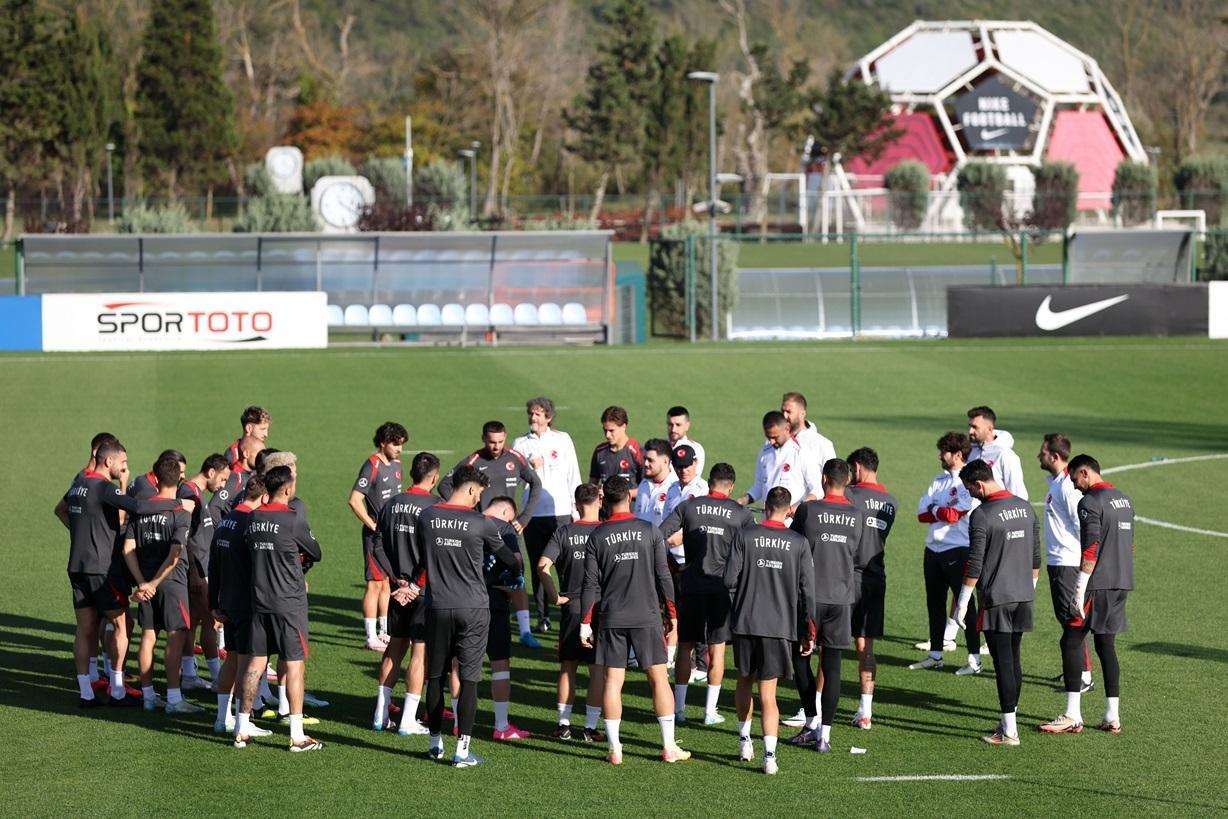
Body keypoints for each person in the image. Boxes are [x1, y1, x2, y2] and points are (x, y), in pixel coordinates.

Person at [413, 465, 520, 768]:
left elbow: (424, 557)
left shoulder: (428, 516)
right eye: (480, 494)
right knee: (469, 680)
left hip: (437, 606)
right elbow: (510, 562)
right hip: (473, 608)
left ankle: (435, 744)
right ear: (472, 489)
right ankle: (462, 751)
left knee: (435, 677)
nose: (479, 499)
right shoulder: (482, 523)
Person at [580, 476, 689, 766]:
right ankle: (668, 747)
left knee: (613, 682)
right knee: (658, 679)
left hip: (612, 617)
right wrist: (673, 615)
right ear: (629, 497)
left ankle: (615, 749)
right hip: (646, 615)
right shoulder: (649, 530)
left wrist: (584, 623)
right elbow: (663, 576)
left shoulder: (598, 536)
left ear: (603, 501)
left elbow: (590, 585)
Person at [1040, 454, 1134, 736]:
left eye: (1074, 479)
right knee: (1106, 645)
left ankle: (1072, 714)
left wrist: (1079, 590)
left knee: (1070, 640)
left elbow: (1090, 548)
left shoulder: (1090, 502)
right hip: (1121, 582)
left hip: (1097, 584)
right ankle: (1112, 716)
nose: (1075, 486)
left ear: (1084, 472)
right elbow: (1130, 546)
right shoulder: (1124, 499)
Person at [724, 486, 815, 775]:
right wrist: (808, 630)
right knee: (769, 694)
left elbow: (728, 580)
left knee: (743, 682)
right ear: (789, 510)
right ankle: (770, 757)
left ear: (765, 508)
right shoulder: (799, 543)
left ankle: (744, 740)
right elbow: (807, 592)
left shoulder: (745, 535)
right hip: (779, 627)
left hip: (746, 623)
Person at [234, 466, 323, 752]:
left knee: (255, 664)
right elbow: (315, 552)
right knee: (294, 665)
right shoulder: (292, 519)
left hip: (259, 600)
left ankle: (241, 726)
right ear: (286, 489)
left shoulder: (254, 517)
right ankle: (297, 735)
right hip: (288, 603)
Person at [953, 459, 1040, 746]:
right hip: (1024, 596)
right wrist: (1028, 588)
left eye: (969, 489)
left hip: (997, 599)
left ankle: (1009, 732)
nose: (970, 494)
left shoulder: (982, 515)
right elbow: (1036, 558)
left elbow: (974, 563)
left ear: (979, 484)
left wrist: (962, 602)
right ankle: (1008, 721)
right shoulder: (1025, 507)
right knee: (1014, 658)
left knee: (1003, 662)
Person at [57, 438, 148, 708]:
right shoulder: (102, 487)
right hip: (101, 570)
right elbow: (138, 508)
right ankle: (117, 690)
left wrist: (81, 531)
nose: (124, 468)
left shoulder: (78, 485)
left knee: (85, 629)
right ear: (108, 461)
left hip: (77, 566)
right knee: (121, 624)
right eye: (122, 463)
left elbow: (59, 510)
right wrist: (176, 506)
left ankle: (85, 693)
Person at [661, 462, 753, 725]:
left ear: (710, 482)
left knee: (685, 648)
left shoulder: (689, 506)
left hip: (690, 586)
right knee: (718, 650)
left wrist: (667, 566)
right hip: (722, 590)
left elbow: (659, 534)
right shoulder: (741, 514)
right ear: (731, 486)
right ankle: (709, 712)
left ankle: (678, 710)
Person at [439, 421, 544, 647]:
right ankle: (475, 625)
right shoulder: (474, 461)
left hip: (507, 529)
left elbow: (536, 483)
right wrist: (465, 511)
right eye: (491, 442)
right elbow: (445, 484)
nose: (496, 446)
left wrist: (524, 518)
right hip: (478, 528)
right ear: (483, 439)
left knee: (517, 573)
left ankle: (525, 632)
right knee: (479, 574)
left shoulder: (514, 458)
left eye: (500, 442)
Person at [788, 459, 863, 752]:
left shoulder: (809, 510)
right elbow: (857, 554)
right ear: (846, 481)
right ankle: (825, 737)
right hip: (841, 599)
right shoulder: (857, 515)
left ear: (823, 479)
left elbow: (793, 543)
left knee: (800, 660)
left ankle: (810, 721)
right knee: (832, 667)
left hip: (810, 598)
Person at [122, 457, 200, 714]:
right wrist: (155, 582)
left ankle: (147, 697)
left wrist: (142, 583)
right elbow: (175, 553)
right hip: (172, 582)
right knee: (175, 636)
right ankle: (175, 700)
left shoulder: (140, 509)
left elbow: (128, 548)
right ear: (178, 478)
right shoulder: (180, 512)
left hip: (146, 583)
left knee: (148, 636)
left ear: (154, 478)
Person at [370, 452, 440, 736]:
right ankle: (408, 720)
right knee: (419, 654)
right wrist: (414, 586)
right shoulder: (436, 506)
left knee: (394, 650)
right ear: (434, 477)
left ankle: (379, 715)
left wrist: (395, 580)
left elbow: (376, 546)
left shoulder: (392, 504)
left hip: (397, 592)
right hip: (422, 593)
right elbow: (433, 554)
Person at [538, 483, 605, 742]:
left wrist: (555, 596)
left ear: (576, 505)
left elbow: (542, 566)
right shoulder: (607, 531)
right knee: (597, 669)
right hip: (600, 607)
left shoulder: (564, 532)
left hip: (572, 607)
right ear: (600, 501)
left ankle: (563, 724)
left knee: (568, 667)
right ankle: (590, 727)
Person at [911, 432, 983, 673]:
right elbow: (921, 514)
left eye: (944, 451)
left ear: (957, 455)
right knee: (935, 603)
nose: (940, 455)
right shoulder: (938, 480)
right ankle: (936, 654)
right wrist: (938, 509)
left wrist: (935, 508)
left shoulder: (967, 483)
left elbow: (954, 516)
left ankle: (974, 659)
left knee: (966, 606)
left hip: (958, 550)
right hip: (932, 550)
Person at [208, 475, 272, 740]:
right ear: (264, 496)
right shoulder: (252, 523)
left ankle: (222, 719)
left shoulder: (225, 521)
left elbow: (213, 564)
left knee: (232, 659)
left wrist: (214, 603)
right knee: (248, 664)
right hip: (248, 604)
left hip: (227, 602)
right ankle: (242, 723)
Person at [513, 397, 582, 634]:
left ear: (548, 417)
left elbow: (574, 474)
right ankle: (542, 616)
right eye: (531, 413)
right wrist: (530, 469)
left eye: (539, 414)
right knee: (538, 565)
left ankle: (567, 611)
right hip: (533, 515)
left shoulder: (562, 440)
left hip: (561, 512)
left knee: (565, 565)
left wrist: (576, 510)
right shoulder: (520, 443)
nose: (533, 418)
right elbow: (515, 478)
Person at [1034, 434, 1094, 696]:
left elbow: (1083, 526)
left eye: (1043, 452)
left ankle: (1083, 675)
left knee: (1073, 620)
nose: (1039, 456)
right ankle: (1077, 669)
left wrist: (1082, 565)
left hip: (1067, 563)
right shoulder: (1057, 483)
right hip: (1060, 562)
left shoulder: (1067, 488)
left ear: (1055, 457)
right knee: (1068, 620)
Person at [844, 447, 898, 730]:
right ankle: (865, 712)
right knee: (866, 646)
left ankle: (812, 710)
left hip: (845, 576)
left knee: (828, 646)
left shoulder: (850, 495)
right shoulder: (891, 502)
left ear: (856, 467)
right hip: (876, 578)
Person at [348, 422, 407, 650]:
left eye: (401, 444)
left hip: (392, 535)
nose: (399, 449)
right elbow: (354, 499)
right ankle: (370, 636)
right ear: (383, 443)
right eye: (395, 444)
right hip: (376, 536)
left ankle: (385, 632)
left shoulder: (397, 465)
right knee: (374, 585)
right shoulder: (372, 465)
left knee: (387, 585)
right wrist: (371, 524)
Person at [176, 454, 231, 691]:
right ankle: (217, 676)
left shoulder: (197, 493)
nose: (223, 486)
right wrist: (195, 572)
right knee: (210, 621)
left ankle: (189, 674)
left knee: (195, 622)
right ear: (210, 472)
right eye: (222, 479)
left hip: (201, 567)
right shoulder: (189, 493)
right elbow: (183, 533)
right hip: (197, 570)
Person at [481, 497, 531, 740]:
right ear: (505, 511)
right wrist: (516, 576)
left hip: (462, 601)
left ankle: (459, 722)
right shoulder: (504, 528)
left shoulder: (466, 520)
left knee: (459, 663)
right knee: (500, 663)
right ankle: (501, 727)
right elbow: (517, 561)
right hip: (494, 601)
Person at [739, 411, 820, 510]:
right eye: (768, 437)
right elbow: (759, 486)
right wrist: (742, 501)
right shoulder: (765, 452)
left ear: (787, 429)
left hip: (792, 523)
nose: (771, 442)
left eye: (775, 437)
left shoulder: (802, 452)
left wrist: (796, 508)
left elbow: (817, 490)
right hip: (768, 521)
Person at [967, 406, 1028, 500]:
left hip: (995, 512)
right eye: (970, 426)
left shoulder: (1004, 454)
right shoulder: (971, 450)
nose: (970, 431)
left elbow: (1018, 495)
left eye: (975, 427)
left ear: (990, 429)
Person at [589, 405, 643, 488]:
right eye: (605, 430)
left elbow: (646, 487)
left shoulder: (637, 450)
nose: (607, 435)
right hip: (606, 501)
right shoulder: (600, 451)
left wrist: (620, 494)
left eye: (611, 431)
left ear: (623, 427)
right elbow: (593, 482)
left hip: (630, 501)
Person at [211, 436, 265, 519]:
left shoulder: (254, 474)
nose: (262, 458)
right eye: (259, 454)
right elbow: (214, 507)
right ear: (246, 454)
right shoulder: (233, 478)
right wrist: (222, 528)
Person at [780, 392, 836, 471]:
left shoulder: (822, 445)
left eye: (789, 412)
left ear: (802, 414)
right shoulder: (773, 441)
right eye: (782, 411)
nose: (784, 416)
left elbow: (833, 479)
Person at [633, 438, 678, 527]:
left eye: (650, 460)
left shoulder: (676, 488)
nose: (645, 464)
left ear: (665, 461)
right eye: (645, 459)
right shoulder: (644, 483)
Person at [662, 444, 708, 518]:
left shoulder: (703, 489)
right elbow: (665, 518)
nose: (683, 471)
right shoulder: (672, 488)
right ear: (673, 466)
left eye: (686, 466)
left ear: (695, 462)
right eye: (679, 467)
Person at [665, 406, 706, 478]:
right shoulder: (659, 446)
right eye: (670, 425)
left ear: (687, 425)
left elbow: (693, 479)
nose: (673, 429)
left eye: (678, 425)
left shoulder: (696, 449)